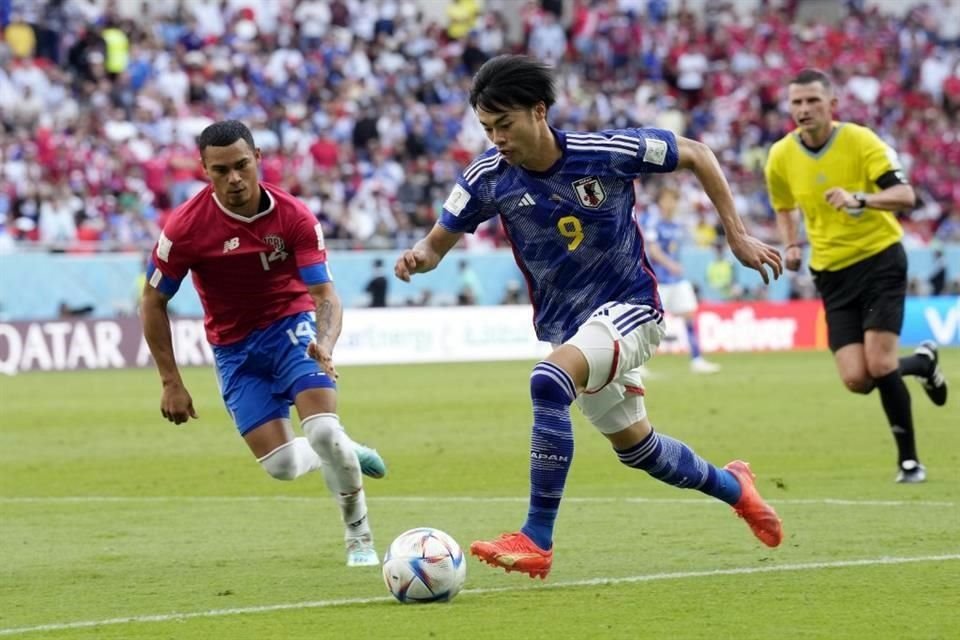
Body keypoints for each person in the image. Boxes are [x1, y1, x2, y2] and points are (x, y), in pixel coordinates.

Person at [395, 55, 785, 580]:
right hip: (573, 330)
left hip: (632, 310)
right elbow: (437, 243)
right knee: (640, 451)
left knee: (548, 380)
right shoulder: (488, 177)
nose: (496, 139)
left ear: (539, 112)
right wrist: (420, 257)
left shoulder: (606, 153)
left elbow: (697, 154)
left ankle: (536, 537)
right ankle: (737, 488)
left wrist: (736, 234)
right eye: (486, 128)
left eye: (504, 125)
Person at [140, 120, 385, 567]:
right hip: (234, 351)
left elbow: (324, 294)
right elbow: (153, 301)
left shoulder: (294, 217)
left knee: (324, 429)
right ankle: (345, 451)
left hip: (291, 329)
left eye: (241, 165)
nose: (233, 179)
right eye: (220, 171)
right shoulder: (185, 229)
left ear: (257, 159)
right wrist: (170, 381)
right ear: (205, 170)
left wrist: (325, 341)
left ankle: (359, 538)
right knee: (284, 466)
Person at [764, 69, 949, 484]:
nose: (804, 109)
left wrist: (859, 199)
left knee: (881, 363)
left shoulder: (862, 141)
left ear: (832, 104)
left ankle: (909, 461)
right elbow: (783, 206)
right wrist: (791, 244)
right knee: (856, 378)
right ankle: (921, 362)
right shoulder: (780, 155)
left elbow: (906, 195)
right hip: (830, 272)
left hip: (879, 259)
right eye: (796, 102)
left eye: (812, 100)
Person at [644, 185, 721, 373]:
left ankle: (696, 359)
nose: (671, 204)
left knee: (689, 315)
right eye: (668, 199)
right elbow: (653, 249)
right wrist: (669, 264)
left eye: (674, 200)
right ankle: (638, 365)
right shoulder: (653, 222)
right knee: (649, 322)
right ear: (661, 201)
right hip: (659, 280)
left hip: (677, 280)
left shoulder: (677, 224)